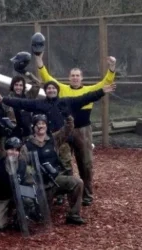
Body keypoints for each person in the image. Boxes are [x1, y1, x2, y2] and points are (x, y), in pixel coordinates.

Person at [35, 51, 117, 206]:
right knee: (61, 162)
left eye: (77, 75)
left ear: (82, 78)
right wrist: (39, 59)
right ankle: (61, 193)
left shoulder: (90, 90)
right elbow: (46, 77)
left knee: (85, 164)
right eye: (72, 75)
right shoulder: (62, 89)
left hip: (83, 130)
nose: (74, 78)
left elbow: (105, 83)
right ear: (69, 77)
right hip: (64, 130)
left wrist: (112, 68)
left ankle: (87, 195)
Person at [21, 114, 85, 224]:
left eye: (43, 124)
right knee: (42, 219)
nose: (40, 126)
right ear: (33, 127)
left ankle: (74, 215)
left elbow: (67, 129)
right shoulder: (27, 146)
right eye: (38, 124)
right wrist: (34, 173)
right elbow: (22, 166)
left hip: (56, 179)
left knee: (77, 182)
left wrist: (68, 116)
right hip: (40, 185)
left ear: (46, 126)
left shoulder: (53, 139)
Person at [0, 137, 36, 231]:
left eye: (17, 150)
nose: (13, 152)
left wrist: (29, 199)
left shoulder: (23, 164)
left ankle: (18, 218)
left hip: (17, 197)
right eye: (11, 149)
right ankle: (1, 213)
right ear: (6, 150)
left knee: (28, 201)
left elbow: (30, 184)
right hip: (2, 196)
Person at [7, 75, 41, 141]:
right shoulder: (8, 100)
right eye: (16, 85)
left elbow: (37, 84)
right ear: (12, 86)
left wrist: (26, 73)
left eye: (20, 85)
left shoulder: (28, 97)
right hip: (14, 136)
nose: (18, 87)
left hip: (28, 135)